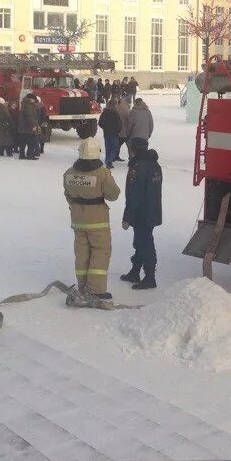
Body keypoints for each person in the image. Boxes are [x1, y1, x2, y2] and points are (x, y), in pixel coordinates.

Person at [63, 135, 121, 306]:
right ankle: (95, 290)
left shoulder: (69, 173)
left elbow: (68, 195)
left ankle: (82, 287)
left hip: (77, 221)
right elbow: (114, 194)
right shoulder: (102, 173)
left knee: (82, 253)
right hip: (98, 222)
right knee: (100, 252)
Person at [121, 137, 162, 290]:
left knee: (145, 243)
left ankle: (150, 277)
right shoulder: (155, 165)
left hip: (141, 213)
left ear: (133, 149)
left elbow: (133, 195)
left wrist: (127, 217)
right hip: (153, 210)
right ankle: (135, 271)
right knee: (141, 241)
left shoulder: (137, 168)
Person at [98, 99, 123, 169]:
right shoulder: (115, 112)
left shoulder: (104, 112)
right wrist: (118, 130)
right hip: (114, 133)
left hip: (106, 133)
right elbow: (119, 123)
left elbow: (100, 123)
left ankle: (108, 160)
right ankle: (109, 161)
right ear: (115, 104)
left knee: (108, 148)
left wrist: (105, 128)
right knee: (115, 147)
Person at [18, 94, 40, 160]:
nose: (34, 101)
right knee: (31, 143)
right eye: (34, 100)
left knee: (23, 142)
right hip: (28, 128)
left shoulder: (24, 104)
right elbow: (29, 116)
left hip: (23, 127)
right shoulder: (28, 105)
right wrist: (33, 125)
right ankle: (30, 155)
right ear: (31, 99)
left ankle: (21, 155)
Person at [115, 95, 131, 162]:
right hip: (126, 131)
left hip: (119, 130)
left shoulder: (117, 108)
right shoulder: (126, 109)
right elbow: (130, 120)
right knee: (129, 146)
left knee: (118, 145)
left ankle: (115, 156)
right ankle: (131, 158)